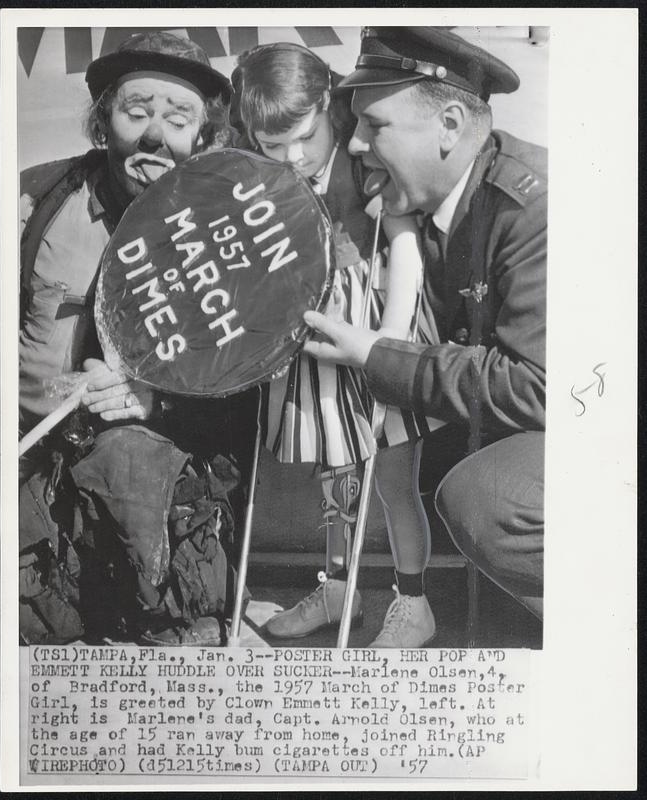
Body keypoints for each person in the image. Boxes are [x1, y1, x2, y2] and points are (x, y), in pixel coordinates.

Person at [19, 31, 257, 646]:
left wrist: (160, 399)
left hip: (148, 473)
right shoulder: (36, 200)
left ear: (204, 136)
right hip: (30, 459)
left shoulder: (227, 231)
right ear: (103, 124)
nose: (155, 135)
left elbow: (243, 399)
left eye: (178, 119)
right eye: (137, 112)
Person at [303, 26, 546, 622]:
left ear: (450, 125)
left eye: (376, 125)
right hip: (492, 422)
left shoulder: (532, 210)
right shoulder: (423, 205)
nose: (355, 145)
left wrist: (375, 354)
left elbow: (541, 388)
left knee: (485, 500)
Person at [233, 42, 444, 647]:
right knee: (336, 478)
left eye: (305, 136)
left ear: (330, 103)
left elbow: (404, 246)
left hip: (378, 321)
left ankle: (414, 603)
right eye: (273, 146)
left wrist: (395, 339)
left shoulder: (364, 159)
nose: (293, 157)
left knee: (394, 479)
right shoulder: (262, 175)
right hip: (317, 333)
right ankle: (337, 589)